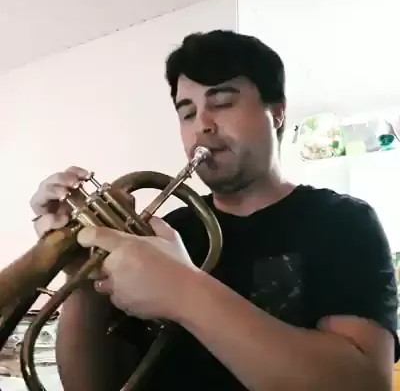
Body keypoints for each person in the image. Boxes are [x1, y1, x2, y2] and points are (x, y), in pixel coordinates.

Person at [30, 30, 398, 391]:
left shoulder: (343, 221)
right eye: (187, 113)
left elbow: (364, 383)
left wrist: (183, 289)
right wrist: (82, 278)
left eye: (222, 103)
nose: (202, 126)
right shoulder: (164, 233)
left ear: (277, 113)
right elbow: (92, 385)